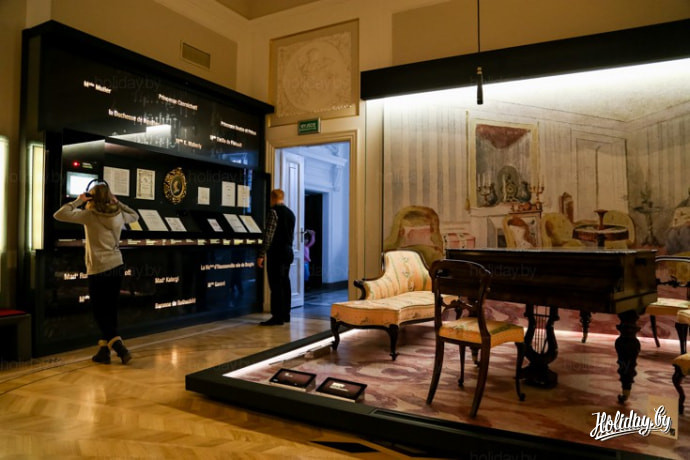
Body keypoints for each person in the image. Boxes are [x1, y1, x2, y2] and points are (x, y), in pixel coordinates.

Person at [53, 182, 139, 364]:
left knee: (99, 311)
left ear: (92, 197)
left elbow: (59, 214)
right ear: (109, 197)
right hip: (117, 265)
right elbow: (135, 215)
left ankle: (119, 347)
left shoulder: (89, 215)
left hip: (99, 268)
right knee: (110, 309)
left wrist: (78, 200)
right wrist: (118, 202)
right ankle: (103, 351)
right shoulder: (119, 214)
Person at [257, 189, 296, 326]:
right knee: (285, 283)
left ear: (272, 198)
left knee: (276, 284)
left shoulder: (274, 212)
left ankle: (277, 316)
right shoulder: (291, 213)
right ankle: (286, 314)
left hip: (277, 252)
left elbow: (269, 235)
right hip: (288, 251)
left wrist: (261, 254)